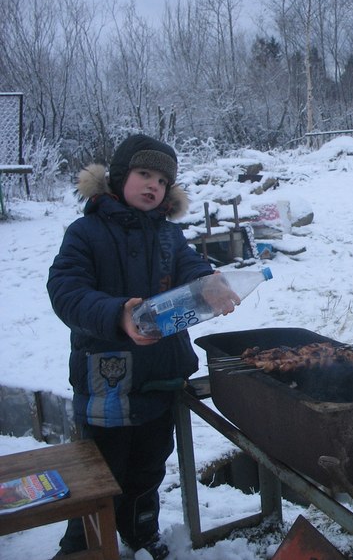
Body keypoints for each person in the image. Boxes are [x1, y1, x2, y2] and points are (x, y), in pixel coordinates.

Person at [46, 134, 238, 559]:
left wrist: (209, 283)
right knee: (101, 475)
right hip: (107, 381)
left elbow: (191, 268)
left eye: (162, 181)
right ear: (119, 177)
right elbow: (66, 290)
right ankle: (81, 548)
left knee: (148, 468)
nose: (153, 185)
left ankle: (140, 532)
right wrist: (117, 314)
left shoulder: (170, 237)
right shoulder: (86, 232)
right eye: (144, 174)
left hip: (160, 376)